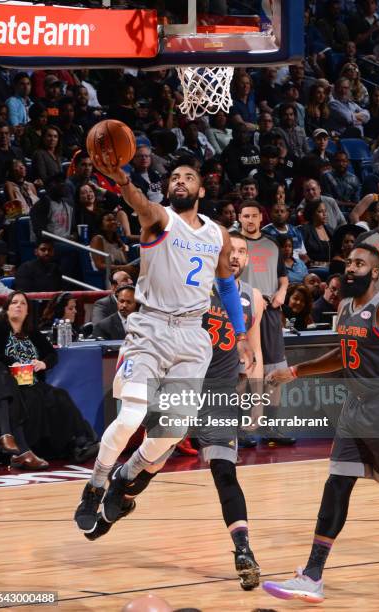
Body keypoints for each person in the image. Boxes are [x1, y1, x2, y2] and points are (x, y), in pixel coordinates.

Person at [74, 161, 255, 533]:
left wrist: (239, 336)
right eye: (174, 177)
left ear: (201, 190)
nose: (180, 182)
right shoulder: (159, 218)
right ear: (167, 188)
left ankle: (126, 476)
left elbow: (225, 287)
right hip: (151, 329)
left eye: (189, 177)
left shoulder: (217, 234)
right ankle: (94, 487)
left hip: (192, 336)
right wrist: (122, 179)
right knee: (130, 418)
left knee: (172, 431)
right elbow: (138, 201)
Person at [82, 232, 264, 591]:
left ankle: (244, 551)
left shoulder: (253, 299)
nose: (235, 256)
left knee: (224, 472)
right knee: (151, 465)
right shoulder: (188, 287)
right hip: (181, 384)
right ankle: (116, 497)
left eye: (242, 251)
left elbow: (252, 353)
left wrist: (254, 400)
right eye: (231, 250)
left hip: (218, 395)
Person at [263, 244, 379, 605]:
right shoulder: (344, 308)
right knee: (336, 487)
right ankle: (312, 575)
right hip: (355, 411)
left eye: (360, 264)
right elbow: (341, 355)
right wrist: (295, 371)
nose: (351, 268)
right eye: (349, 262)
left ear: (375, 271)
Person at [0, 291, 99, 463]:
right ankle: (25, 449)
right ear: (7, 309)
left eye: (23, 304)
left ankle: (81, 442)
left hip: (31, 381)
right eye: (14, 303)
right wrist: (12, 363)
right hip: (7, 382)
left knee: (59, 396)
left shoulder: (32, 333)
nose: (18, 306)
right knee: (33, 399)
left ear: (27, 312)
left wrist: (43, 364)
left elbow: (51, 354)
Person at [238, 201, 295, 445]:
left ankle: (271, 427)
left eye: (254, 215)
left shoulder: (272, 244)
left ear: (261, 218)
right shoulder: (233, 243)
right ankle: (243, 428)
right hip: (242, 310)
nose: (250, 220)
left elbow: (284, 279)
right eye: (245, 216)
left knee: (274, 368)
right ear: (239, 218)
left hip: (270, 312)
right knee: (244, 369)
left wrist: (282, 292)